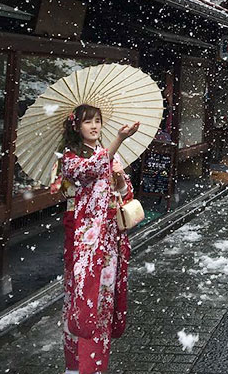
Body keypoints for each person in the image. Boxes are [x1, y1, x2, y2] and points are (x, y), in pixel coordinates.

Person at [60, 103, 140, 374]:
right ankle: (78, 367)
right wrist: (118, 139)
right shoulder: (71, 158)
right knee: (83, 304)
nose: (94, 126)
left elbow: (125, 191)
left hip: (108, 242)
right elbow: (90, 171)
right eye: (87, 122)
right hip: (85, 244)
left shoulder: (105, 154)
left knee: (103, 303)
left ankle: (96, 366)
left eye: (97, 121)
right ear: (76, 127)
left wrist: (119, 180)